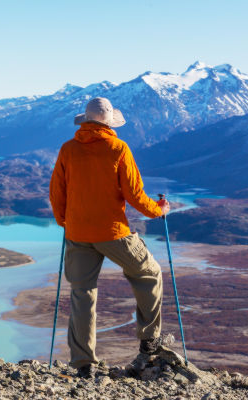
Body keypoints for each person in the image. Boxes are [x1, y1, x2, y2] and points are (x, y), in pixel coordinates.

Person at [49, 97, 170, 378]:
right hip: (113, 233)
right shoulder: (118, 148)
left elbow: (57, 191)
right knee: (149, 274)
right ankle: (149, 341)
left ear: (86, 121)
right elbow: (134, 194)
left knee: (82, 294)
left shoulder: (68, 149)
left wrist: (65, 221)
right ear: (109, 122)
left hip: (78, 234)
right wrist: (158, 210)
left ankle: (83, 363)